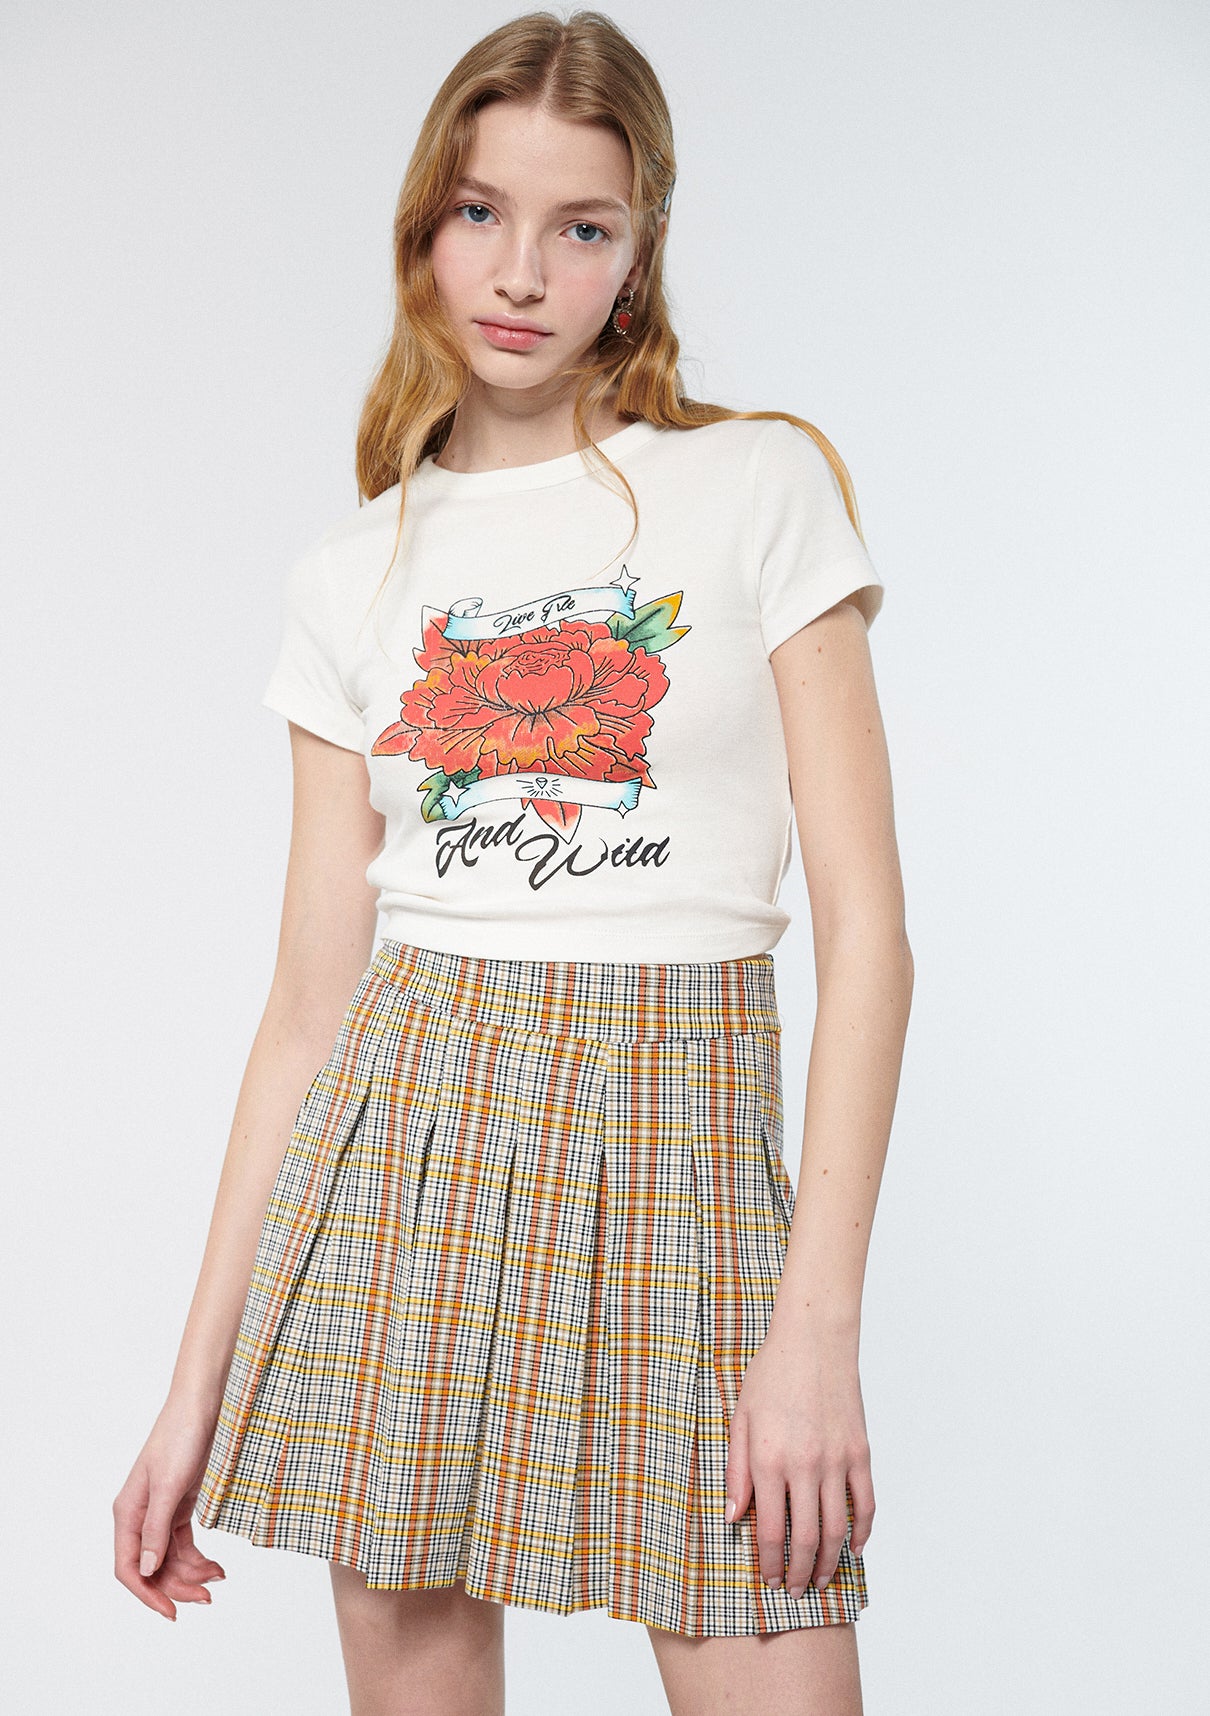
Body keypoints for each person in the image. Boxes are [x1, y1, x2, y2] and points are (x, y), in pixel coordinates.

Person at [112, 10, 912, 1714]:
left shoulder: (755, 488)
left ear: (642, 248)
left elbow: (869, 939)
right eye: (481, 212)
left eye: (581, 225)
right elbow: (306, 1016)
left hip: (685, 1154)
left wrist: (816, 1329)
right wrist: (191, 1391)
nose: (522, 272)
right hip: (405, 1160)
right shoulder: (350, 574)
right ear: (424, 223)